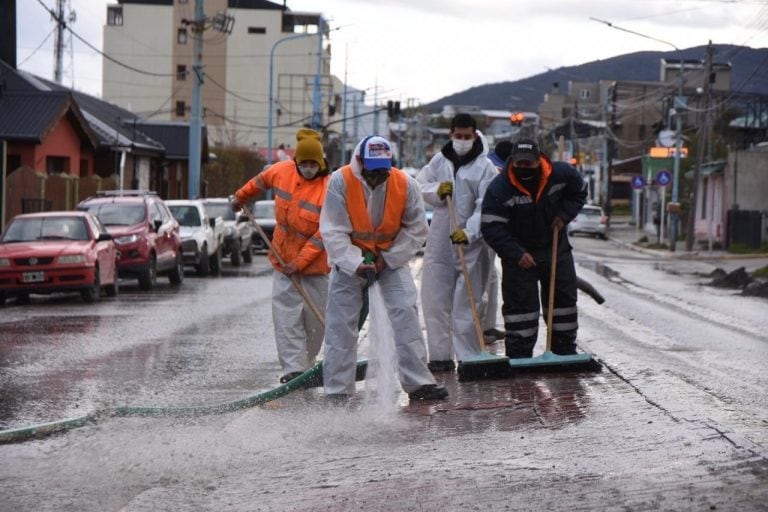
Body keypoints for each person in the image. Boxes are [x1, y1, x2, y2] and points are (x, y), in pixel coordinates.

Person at [319, 135, 448, 402]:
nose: (377, 178)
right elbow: (333, 230)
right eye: (372, 172)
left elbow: (416, 228)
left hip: (390, 260)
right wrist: (355, 262)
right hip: (349, 263)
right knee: (340, 326)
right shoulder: (340, 181)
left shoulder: (405, 183)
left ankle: (419, 383)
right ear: (359, 162)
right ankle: (338, 390)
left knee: (405, 313)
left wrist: (387, 259)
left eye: (382, 172)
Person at [231, 128, 331, 384]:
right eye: (303, 163)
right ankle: (293, 369)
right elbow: (257, 183)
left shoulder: (329, 188)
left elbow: (323, 235)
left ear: (320, 163)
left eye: (313, 163)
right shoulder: (281, 171)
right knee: (286, 319)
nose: (308, 167)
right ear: (296, 161)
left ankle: (306, 364)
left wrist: (299, 262)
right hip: (282, 258)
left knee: (316, 323)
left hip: (316, 267)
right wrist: (240, 198)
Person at [480, 139, 587, 358]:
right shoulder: (501, 187)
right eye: (519, 164)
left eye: (528, 165)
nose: (523, 169)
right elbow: (491, 227)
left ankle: (564, 351)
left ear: (539, 161)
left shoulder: (561, 174)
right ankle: (520, 354)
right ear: (513, 161)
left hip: (556, 248)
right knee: (521, 308)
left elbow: (579, 192)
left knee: (563, 303)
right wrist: (516, 254)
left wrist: (564, 215)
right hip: (520, 253)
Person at [416, 113, 501, 372]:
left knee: (468, 302)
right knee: (435, 299)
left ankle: (468, 357)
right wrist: (436, 190)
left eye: (467, 136)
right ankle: (440, 357)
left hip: (471, 246)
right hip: (441, 240)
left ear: (475, 135)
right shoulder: (440, 160)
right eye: (458, 136)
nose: (462, 140)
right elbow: (419, 185)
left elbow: (485, 204)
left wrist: (470, 232)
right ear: (450, 134)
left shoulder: (485, 167)